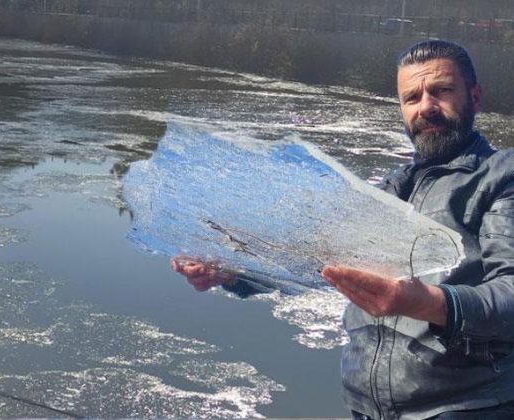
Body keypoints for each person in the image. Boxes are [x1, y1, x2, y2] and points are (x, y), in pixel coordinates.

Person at [173, 39, 514, 419]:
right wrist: (233, 272)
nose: (425, 107)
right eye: (412, 98)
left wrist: (423, 303)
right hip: (365, 408)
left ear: (476, 96)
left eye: (441, 91)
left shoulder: (503, 178)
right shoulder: (390, 190)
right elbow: (313, 261)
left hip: (466, 409)